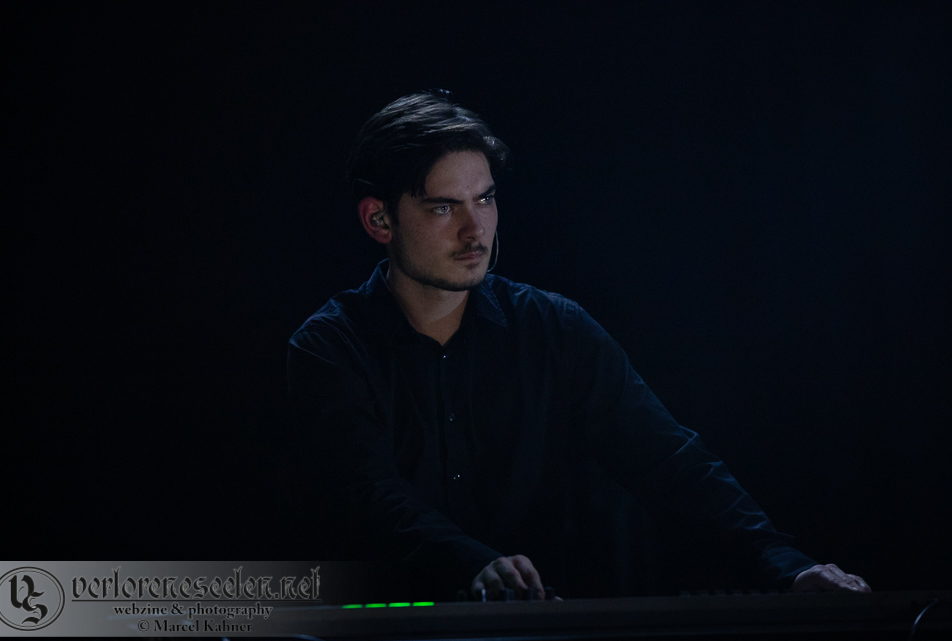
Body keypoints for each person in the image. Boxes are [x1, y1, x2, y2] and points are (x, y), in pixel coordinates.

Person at [286, 91, 870, 600]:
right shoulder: (330, 347)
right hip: (382, 635)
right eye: (444, 207)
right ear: (379, 220)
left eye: (484, 199)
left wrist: (788, 568)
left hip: (541, 634)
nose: (475, 230)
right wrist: (476, 566)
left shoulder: (553, 329)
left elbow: (668, 462)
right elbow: (370, 497)